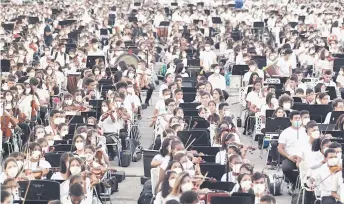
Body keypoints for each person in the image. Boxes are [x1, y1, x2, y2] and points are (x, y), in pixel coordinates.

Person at [278, 111, 308, 193]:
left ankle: (303, 187)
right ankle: (293, 183)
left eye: (299, 118)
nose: (298, 120)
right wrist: (289, 156)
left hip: (303, 157)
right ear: (291, 120)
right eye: (296, 118)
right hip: (290, 157)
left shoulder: (306, 131)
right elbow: (280, 148)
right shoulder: (285, 132)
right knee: (286, 168)